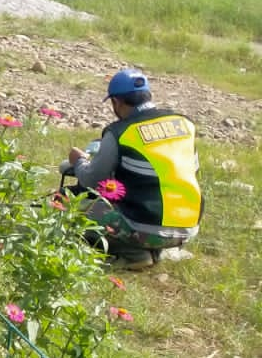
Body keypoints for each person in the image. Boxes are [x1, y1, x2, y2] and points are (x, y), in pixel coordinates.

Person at [65, 68, 202, 268]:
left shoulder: (120, 132)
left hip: (144, 229)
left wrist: (78, 161)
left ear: (116, 102)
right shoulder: (185, 124)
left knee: (72, 210)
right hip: (188, 229)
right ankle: (163, 250)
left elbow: (91, 179)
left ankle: (134, 253)